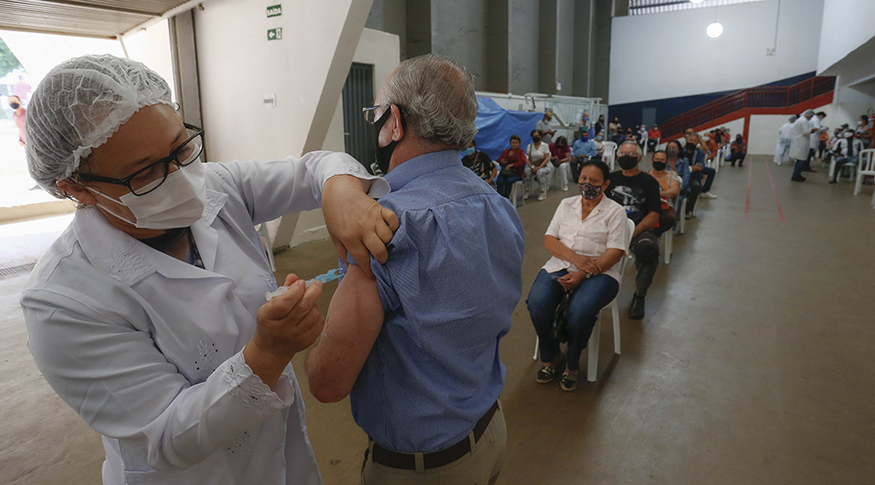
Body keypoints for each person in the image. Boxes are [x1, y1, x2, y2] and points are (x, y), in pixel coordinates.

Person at [19, 54, 399, 484]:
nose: (181, 178)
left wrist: (341, 193)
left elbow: (314, 169)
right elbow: (167, 436)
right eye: (145, 172)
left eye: (182, 148)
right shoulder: (62, 302)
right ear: (76, 189)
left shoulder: (216, 185)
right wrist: (268, 353)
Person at [305, 54, 524, 485]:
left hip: (425, 469)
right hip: (489, 431)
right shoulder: (498, 207)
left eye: (376, 114)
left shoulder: (383, 228)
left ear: (394, 123)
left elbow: (327, 382)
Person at [527, 160, 628, 392]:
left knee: (580, 312)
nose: (586, 184)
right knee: (537, 303)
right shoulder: (566, 204)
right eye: (583, 179)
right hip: (561, 265)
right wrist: (575, 260)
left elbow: (615, 252)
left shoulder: (615, 211)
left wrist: (583, 272)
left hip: (601, 272)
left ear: (606, 184)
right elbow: (549, 240)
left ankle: (572, 364)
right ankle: (552, 356)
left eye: (594, 181)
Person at [605, 141, 661, 320]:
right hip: (609, 230)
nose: (625, 157)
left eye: (630, 154)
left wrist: (633, 232)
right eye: (622, 154)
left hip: (638, 230)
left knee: (649, 250)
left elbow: (654, 214)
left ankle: (639, 296)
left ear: (639, 158)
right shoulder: (609, 180)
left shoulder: (649, 182)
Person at [647, 150, 680, 234]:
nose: (659, 162)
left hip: (666, 206)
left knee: (670, 218)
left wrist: (654, 194)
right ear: (652, 160)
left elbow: (674, 191)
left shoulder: (671, 175)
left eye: (662, 160)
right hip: (648, 205)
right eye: (657, 159)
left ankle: (654, 234)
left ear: (666, 162)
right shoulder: (646, 175)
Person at [685, 133, 717, 208]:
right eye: (690, 140)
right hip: (685, 172)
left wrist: (694, 168)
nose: (692, 142)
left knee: (711, 171)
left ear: (697, 142)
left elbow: (700, 165)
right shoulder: (682, 151)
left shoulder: (699, 151)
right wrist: (692, 168)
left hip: (696, 172)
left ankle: (704, 191)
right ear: (687, 141)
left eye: (694, 141)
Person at [525, 129, 554, 200]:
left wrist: (539, 167)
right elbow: (528, 158)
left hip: (544, 166)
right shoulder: (529, 146)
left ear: (540, 136)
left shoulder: (545, 146)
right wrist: (531, 167)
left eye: (537, 136)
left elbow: (547, 158)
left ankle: (543, 191)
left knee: (540, 172)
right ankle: (527, 190)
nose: (535, 137)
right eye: (534, 136)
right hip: (533, 165)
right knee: (526, 172)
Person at [790, 110, 816, 182]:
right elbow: (805, 132)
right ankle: (796, 175)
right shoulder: (803, 121)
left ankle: (797, 174)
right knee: (801, 160)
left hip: (799, 141)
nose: (810, 118)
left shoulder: (800, 120)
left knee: (800, 159)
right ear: (808, 115)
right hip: (801, 142)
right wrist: (812, 130)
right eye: (811, 116)